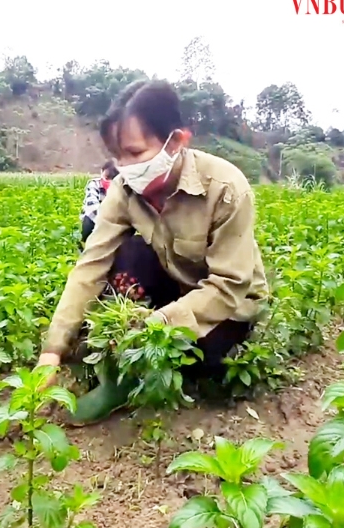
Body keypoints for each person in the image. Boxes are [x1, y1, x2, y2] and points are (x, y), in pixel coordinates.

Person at [37, 79, 269, 426]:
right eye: (117, 155)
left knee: (201, 358)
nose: (124, 166)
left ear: (175, 141)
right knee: (125, 254)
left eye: (134, 153)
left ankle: (141, 369)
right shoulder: (125, 187)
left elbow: (228, 285)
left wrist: (156, 325)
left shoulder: (225, 187)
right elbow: (91, 264)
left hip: (227, 303)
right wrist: (52, 350)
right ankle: (116, 381)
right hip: (174, 281)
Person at [80, 160, 120, 245]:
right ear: (101, 172)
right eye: (106, 178)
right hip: (95, 219)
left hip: (114, 223)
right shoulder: (94, 184)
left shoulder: (120, 188)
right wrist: (104, 224)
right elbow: (92, 206)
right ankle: (85, 243)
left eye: (112, 179)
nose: (108, 182)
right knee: (88, 220)